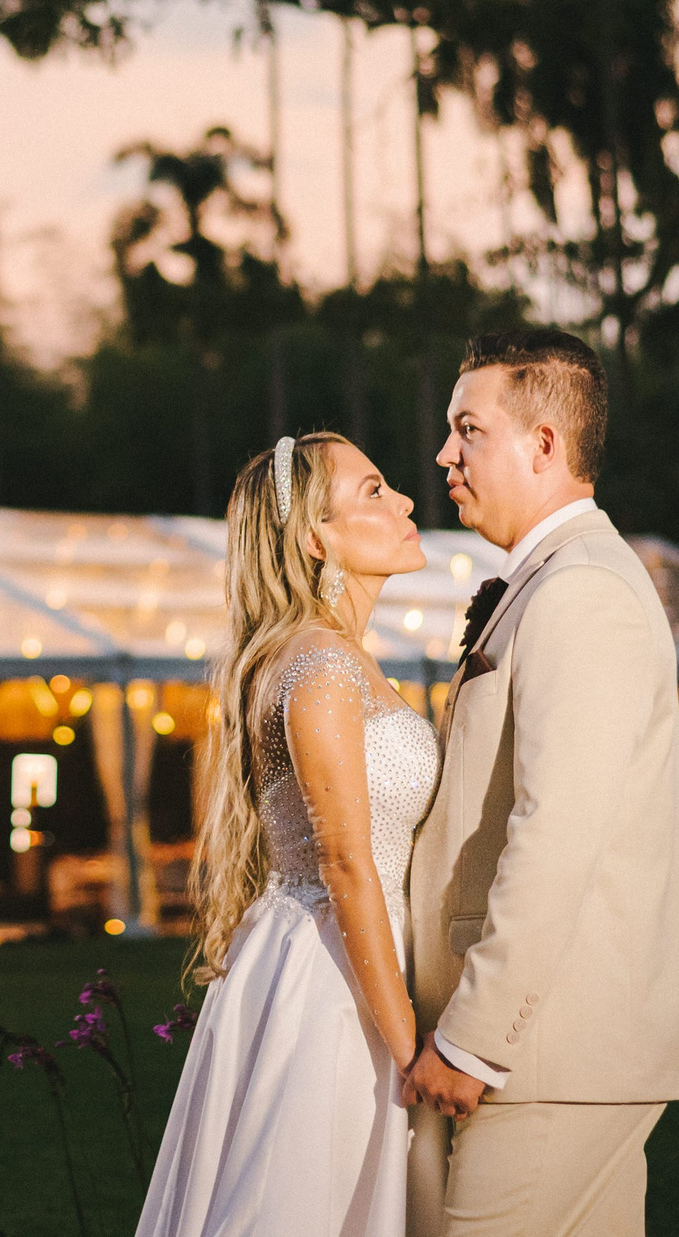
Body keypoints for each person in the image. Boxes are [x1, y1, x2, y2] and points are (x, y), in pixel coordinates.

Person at [402, 329, 679, 1236]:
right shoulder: (552, 579)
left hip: (547, 1049)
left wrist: (472, 1035)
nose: (444, 454)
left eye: (469, 428)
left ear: (545, 443)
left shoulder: (579, 591)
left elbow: (556, 830)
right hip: (559, 1047)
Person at [137, 432, 441, 1237]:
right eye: (374, 491)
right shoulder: (320, 667)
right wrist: (410, 1044)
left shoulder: (340, 658)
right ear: (316, 536)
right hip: (332, 978)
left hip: (349, 954)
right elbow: (345, 861)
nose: (406, 502)